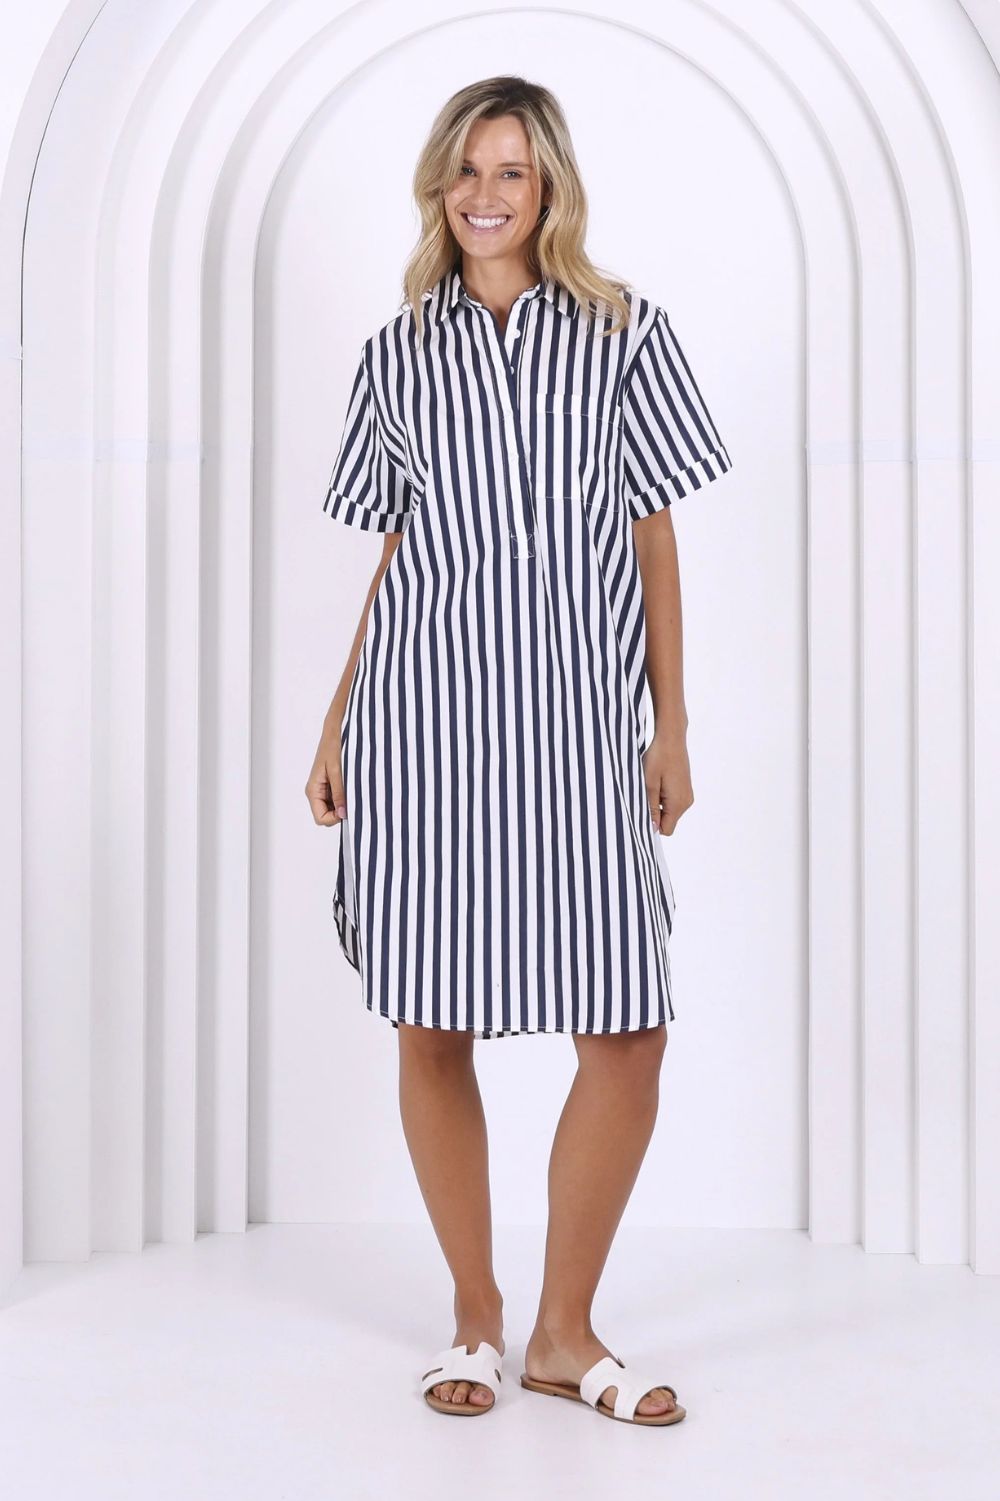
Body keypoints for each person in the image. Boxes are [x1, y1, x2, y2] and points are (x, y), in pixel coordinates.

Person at [306, 75, 733, 1426]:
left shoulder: (624, 332)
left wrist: (672, 722)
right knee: (433, 1018)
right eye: (468, 171)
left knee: (627, 1027)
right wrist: (336, 716)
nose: (486, 196)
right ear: (439, 185)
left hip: (580, 729)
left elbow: (656, 533)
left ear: (550, 189)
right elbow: (396, 545)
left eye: (513, 173)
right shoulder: (396, 354)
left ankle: (565, 1328)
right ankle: (476, 1320)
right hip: (425, 725)